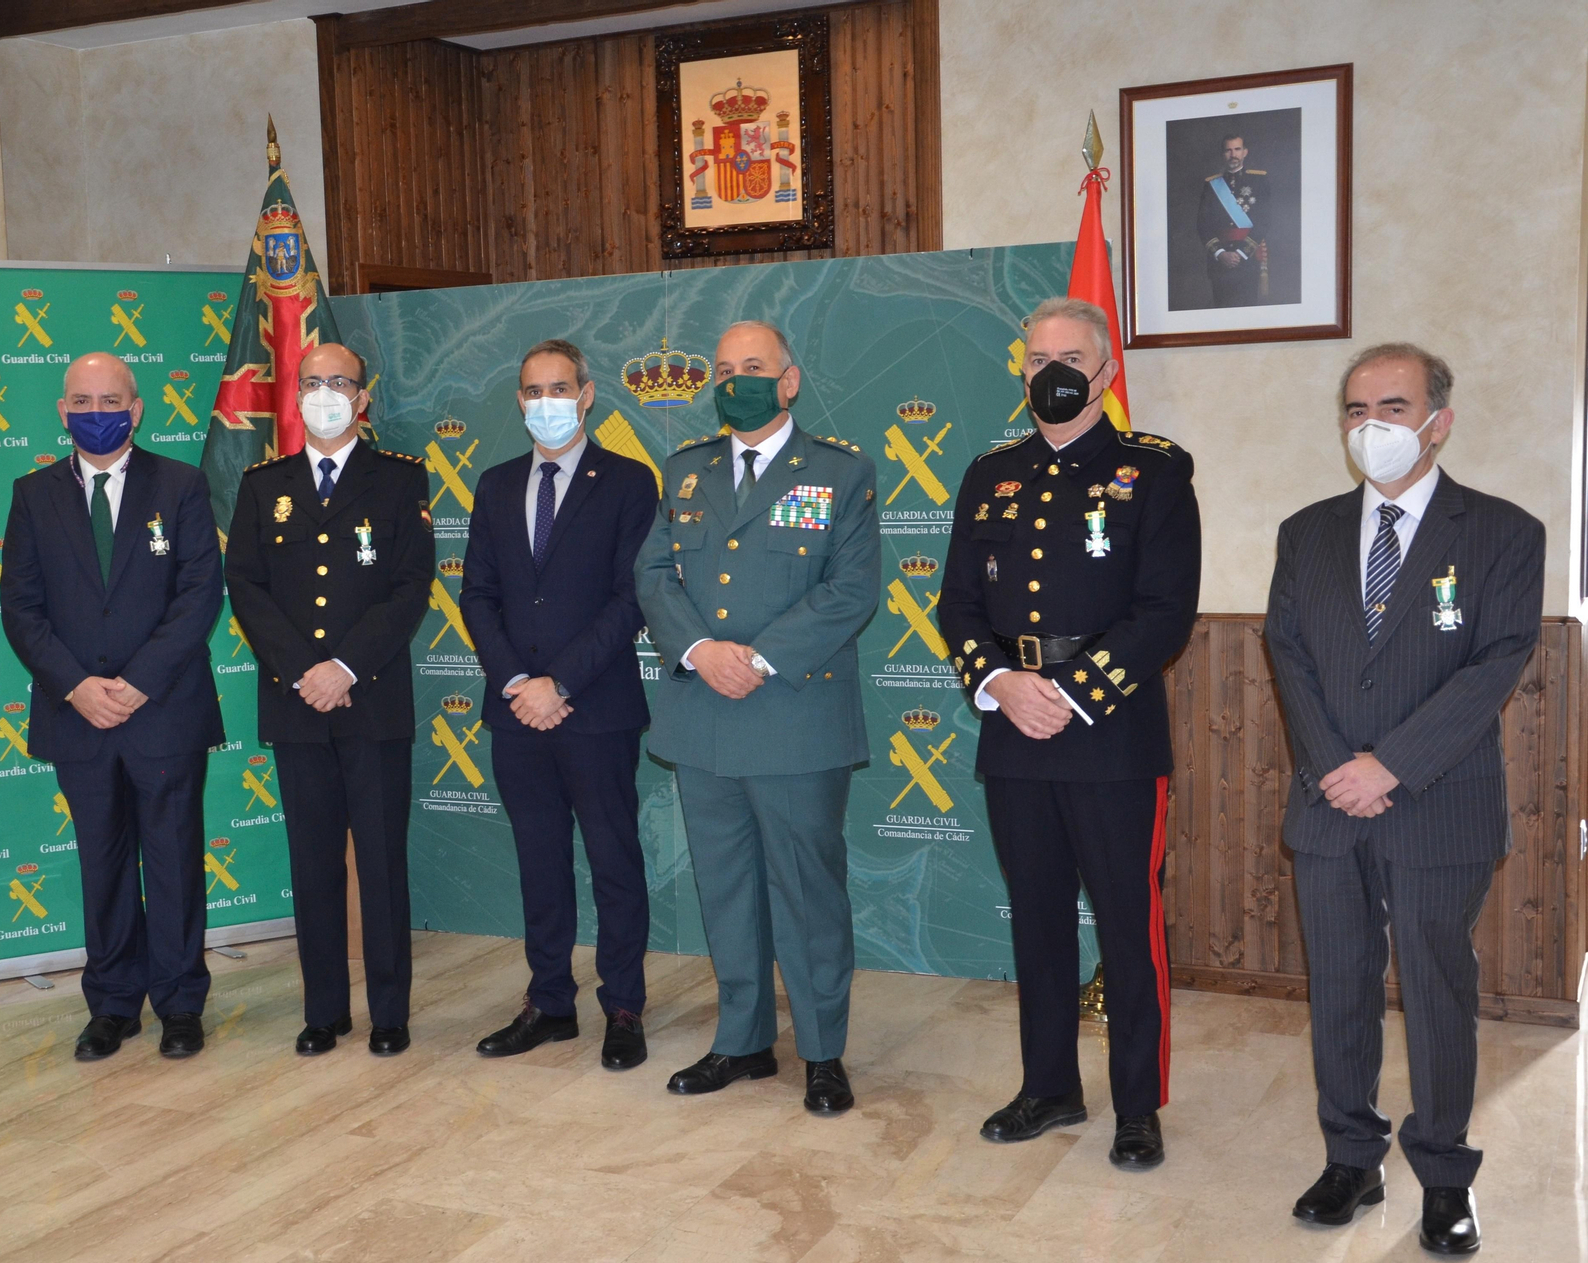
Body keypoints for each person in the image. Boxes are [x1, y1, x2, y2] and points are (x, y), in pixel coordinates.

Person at [1265, 344, 1543, 1255]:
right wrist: (1337, 768)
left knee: (1436, 988)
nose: (1371, 426)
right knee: (1339, 985)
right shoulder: (1305, 531)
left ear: (1439, 421)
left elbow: (1495, 662)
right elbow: (1289, 656)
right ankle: (1351, 1153)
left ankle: (1444, 1171)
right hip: (1327, 799)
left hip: (1440, 801)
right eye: (1355, 409)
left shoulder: (1503, 531)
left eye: (1393, 405)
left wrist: (1391, 764)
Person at [937, 297, 1200, 1167]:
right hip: (1013, 730)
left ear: (1104, 372)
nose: (1052, 371)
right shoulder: (990, 471)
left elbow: (1164, 613)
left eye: (1070, 357)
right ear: (1021, 372)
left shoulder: (1152, 473)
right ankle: (1048, 1086)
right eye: (1037, 357)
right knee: (1037, 921)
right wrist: (1002, 683)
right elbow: (958, 607)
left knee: (1129, 927)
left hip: (1112, 734)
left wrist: (1070, 693)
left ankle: (1138, 1105)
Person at [636, 320, 879, 1113]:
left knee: (807, 891)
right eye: (723, 367)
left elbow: (850, 591)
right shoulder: (685, 470)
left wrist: (759, 657)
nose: (735, 379)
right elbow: (653, 574)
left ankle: (821, 1052)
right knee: (727, 887)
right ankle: (741, 1040)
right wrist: (703, 649)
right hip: (702, 711)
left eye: (753, 366)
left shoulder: (840, 472)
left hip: (795, 714)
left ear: (789, 380)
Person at [1, 352, 224, 1061]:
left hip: (164, 711)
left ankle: (181, 1002)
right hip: (78, 716)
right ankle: (113, 1004)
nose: (98, 410)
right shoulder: (32, 494)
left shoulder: (182, 484)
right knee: (101, 863)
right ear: (63, 411)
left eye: (112, 398)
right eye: (83, 399)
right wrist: (77, 687)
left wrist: (137, 683)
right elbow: (22, 608)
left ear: (138, 408)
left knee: (175, 860)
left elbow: (199, 596)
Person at [225, 342, 434, 1057]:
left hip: (372, 702)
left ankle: (389, 1011)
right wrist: (301, 670)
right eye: (310, 381)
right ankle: (323, 1011)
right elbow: (245, 586)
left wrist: (344, 666)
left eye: (337, 381)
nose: (323, 392)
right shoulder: (263, 483)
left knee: (380, 863)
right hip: (296, 705)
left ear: (362, 396)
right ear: (294, 394)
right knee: (311, 863)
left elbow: (411, 585)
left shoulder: (401, 479)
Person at [461, 339, 658, 1070]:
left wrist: (560, 684)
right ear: (518, 400)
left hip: (595, 708)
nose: (544, 400)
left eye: (558, 387)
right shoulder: (494, 482)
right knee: (538, 860)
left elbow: (631, 598)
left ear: (586, 394)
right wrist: (518, 683)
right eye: (531, 389)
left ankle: (624, 1005)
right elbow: (476, 594)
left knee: (613, 860)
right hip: (516, 712)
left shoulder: (629, 482)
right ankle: (549, 1002)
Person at [1196, 133, 1268, 307]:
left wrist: (1241, 253)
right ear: (1223, 154)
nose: (1233, 154)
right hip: (1220, 263)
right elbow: (1202, 224)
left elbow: (1265, 220)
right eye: (1228, 150)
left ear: (1245, 152)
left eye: (1237, 149)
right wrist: (1220, 253)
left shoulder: (1259, 181)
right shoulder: (1212, 185)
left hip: (1248, 259)